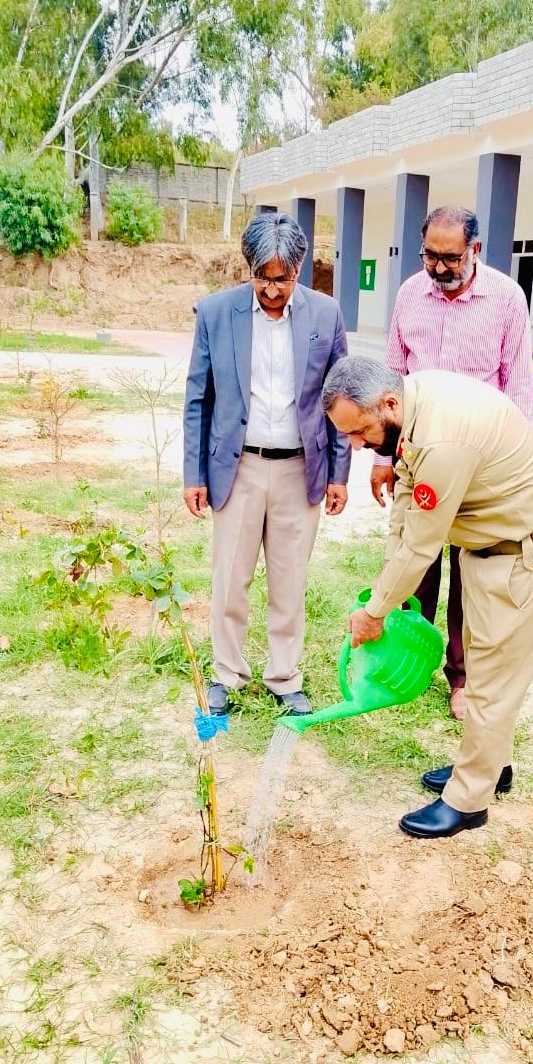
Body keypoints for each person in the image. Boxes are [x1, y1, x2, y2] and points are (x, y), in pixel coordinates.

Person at [323, 357, 533, 838]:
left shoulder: (442, 442)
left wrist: (375, 613)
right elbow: (404, 508)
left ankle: (468, 800)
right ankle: (490, 764)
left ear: (388, 404)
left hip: (528, 554)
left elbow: (422, 545)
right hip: (492, 551)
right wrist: (386, 589)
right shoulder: (413, 406)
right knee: (484, 668)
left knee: (493, 680)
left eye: (359, 432)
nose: (356, 446)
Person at [183, 212, 351, 716]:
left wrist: (339, 473)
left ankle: (285, 677)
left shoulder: (325, 314)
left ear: (300, 269)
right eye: (263, 277)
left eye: (284, 278)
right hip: (238, 469)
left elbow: (341, 396)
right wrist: (194, 474)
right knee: (229, 579)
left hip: (301, 470)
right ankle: (227, 674)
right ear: (248, 267)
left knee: (289, 580)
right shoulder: (216, 313)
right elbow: (198, 399)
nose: (273, 290)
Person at [372, 205, 533, 722]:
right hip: (416, 454)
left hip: (477, 464)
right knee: (413, 556)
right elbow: (391, 378)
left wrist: (510, 468)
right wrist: (382, 456)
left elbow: (519, 386)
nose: (439, 268)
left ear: (475, 250)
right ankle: (409, 658)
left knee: (471, 573)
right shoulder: (409, 294)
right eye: (430, 257)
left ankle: (462, 678)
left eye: (451, 258)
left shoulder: (506, 298)